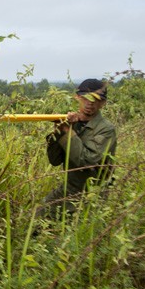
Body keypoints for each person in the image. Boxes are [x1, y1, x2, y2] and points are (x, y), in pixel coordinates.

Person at [37, 78, 117, 219]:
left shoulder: (106, 129)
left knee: (80, 235)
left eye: (95, 99)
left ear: (102, 103)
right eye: (86, 98)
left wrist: (67, 130)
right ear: (77, 98)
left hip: (92, 195)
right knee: (34, 220)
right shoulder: (72, 123)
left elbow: (86, 161)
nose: (90, 103)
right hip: (68, 190)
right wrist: (59, 131)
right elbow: (55, 160)